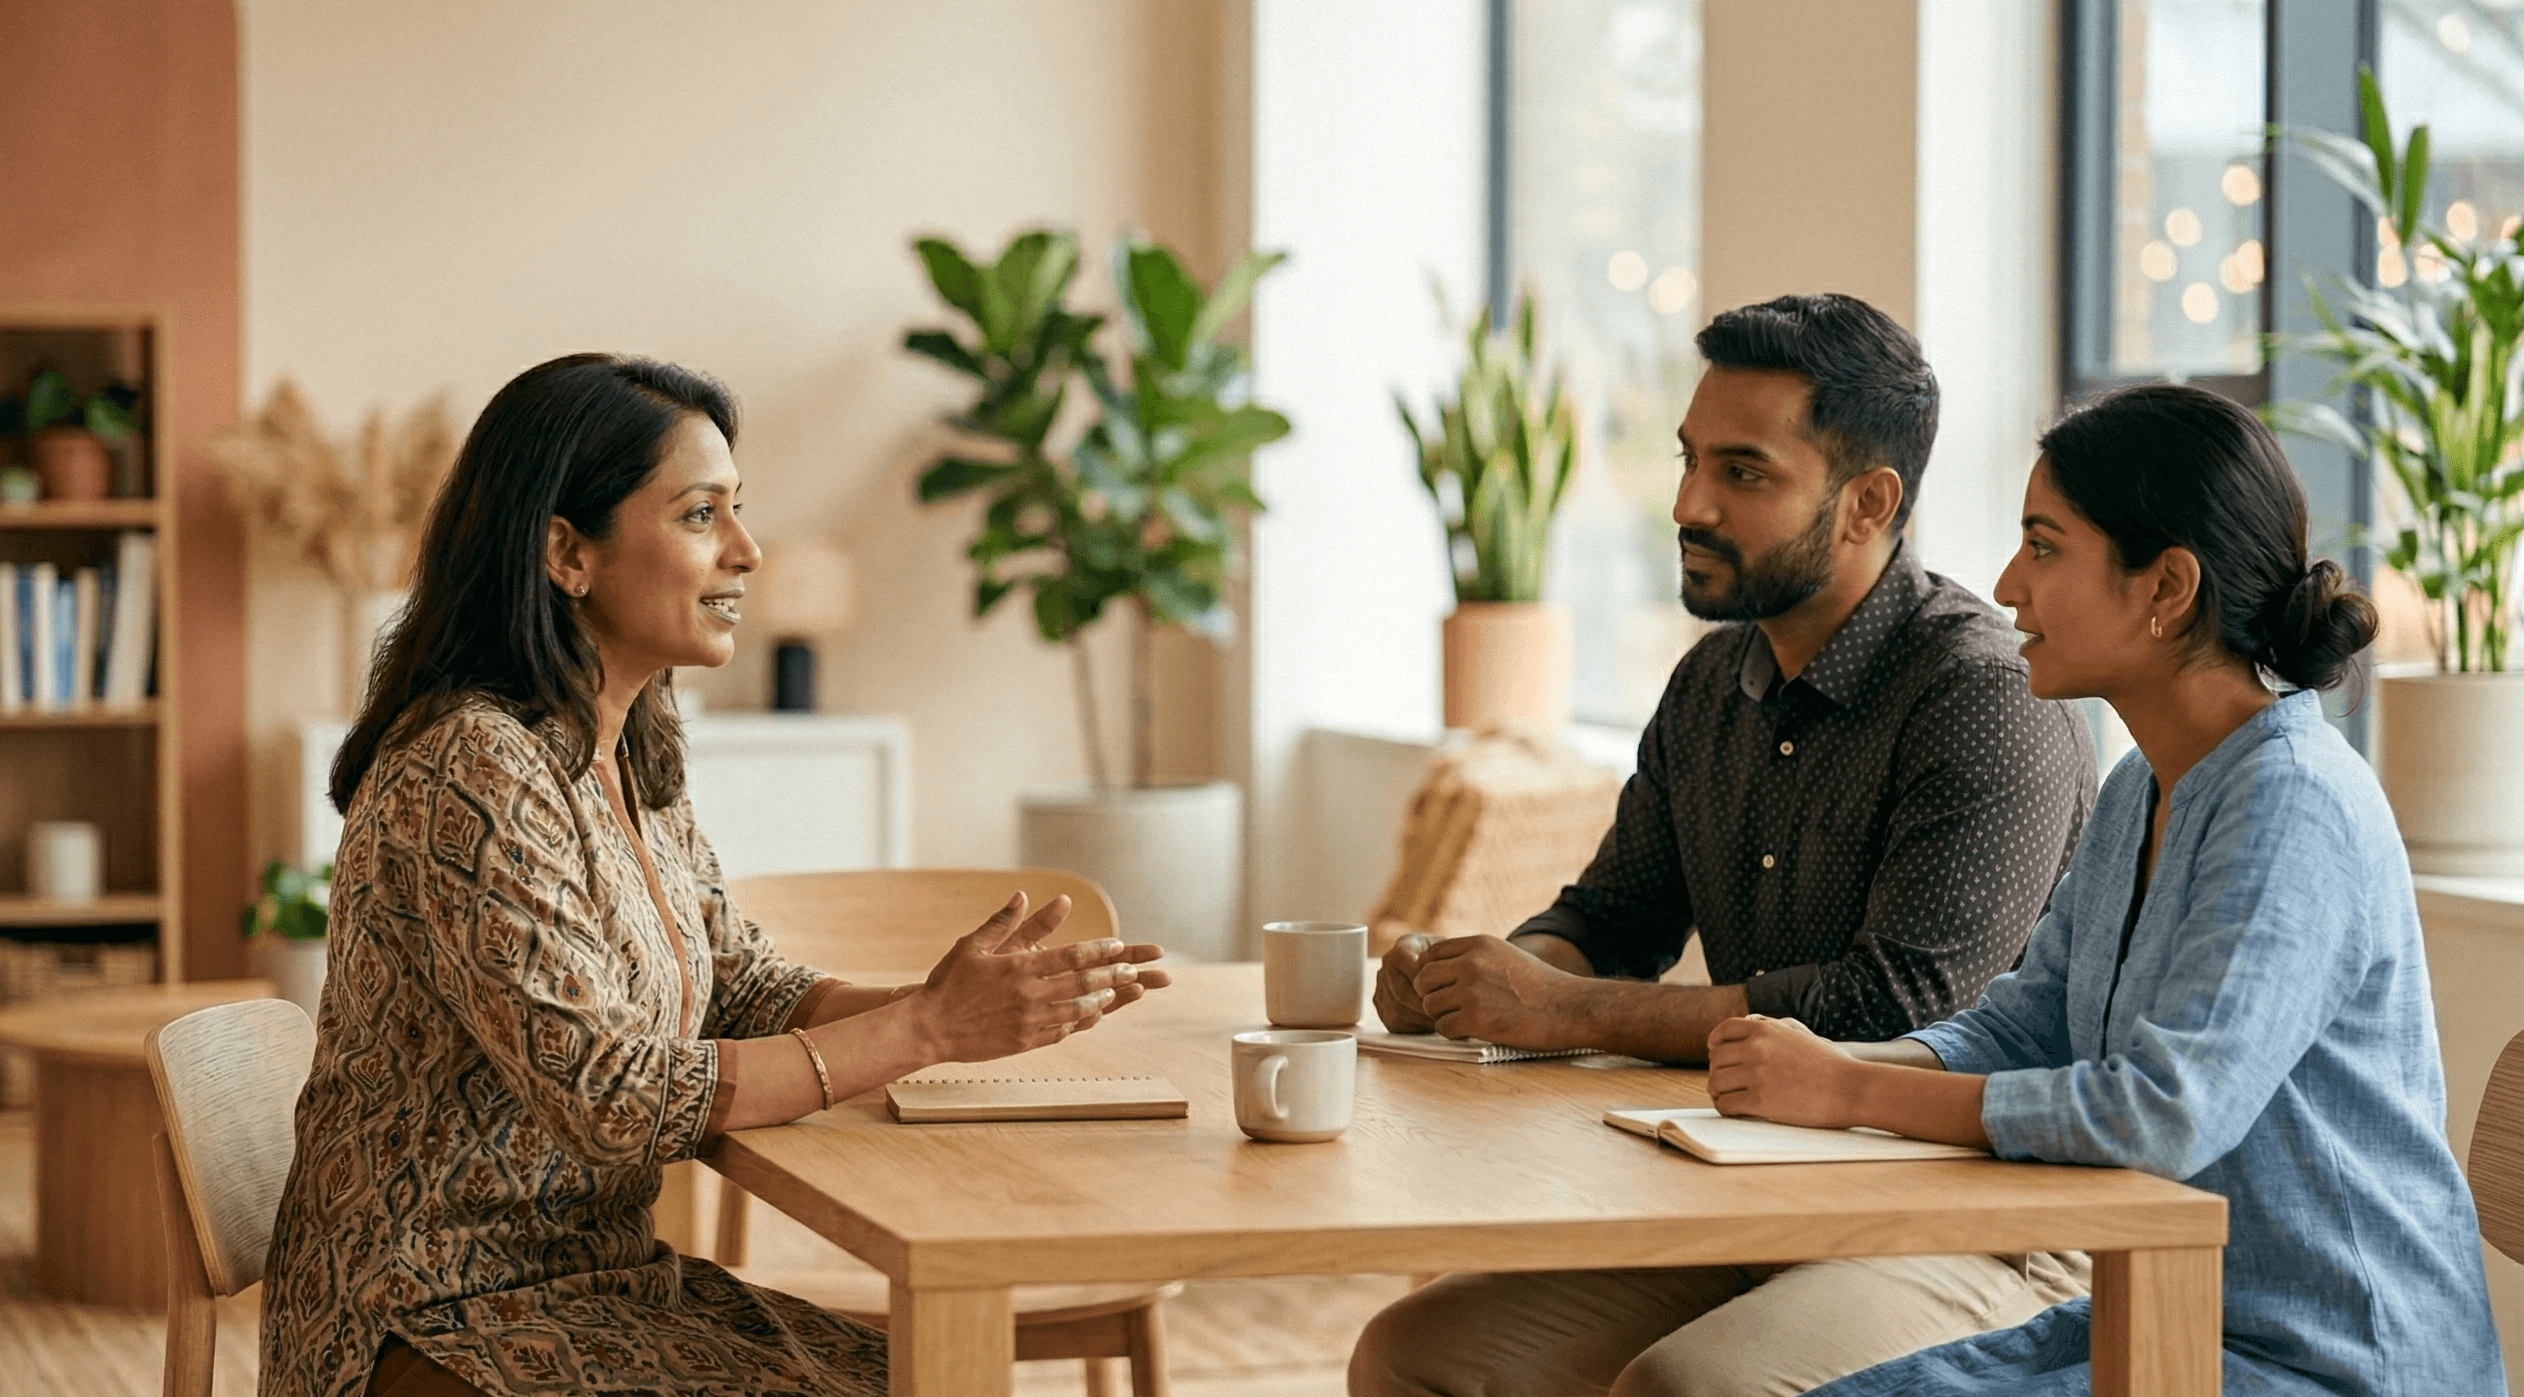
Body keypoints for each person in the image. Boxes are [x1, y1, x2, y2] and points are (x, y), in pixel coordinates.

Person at [259, 355, 1168, 1397]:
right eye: (700, 514)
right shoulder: (473, 765)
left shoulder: (627, 742)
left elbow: (740, 984)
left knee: (937, 1380)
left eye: (738, 508)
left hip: (594, 1284)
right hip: (428, 1316)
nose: (746, 548)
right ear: (566, 552)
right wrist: (922, 1030)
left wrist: (959, 1009)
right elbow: (609, 1095)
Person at [1352, 294, 2098, 1397]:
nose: (1688, 504)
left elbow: (1897, 1009)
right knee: (1415, 1355)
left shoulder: (1981, 697)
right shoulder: (1710, 680)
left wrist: (1562, 1012)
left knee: (1687, 1389)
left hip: (1974, 1220)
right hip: (1753, 1188)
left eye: (1743, 472)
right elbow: (1614, 918)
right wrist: (1482, 983)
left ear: (1868, 503)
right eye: (1690, 459)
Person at [1709, 383, 2505, 1396]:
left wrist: (1849, 1091)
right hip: (2171, 1308)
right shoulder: (2141, 786)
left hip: (2338, 1361)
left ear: (2165, 586)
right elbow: (2023, 1026)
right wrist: (1817, 1069)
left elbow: (2163, 1113)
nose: (2007, 584)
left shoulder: (2295, 802)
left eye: (2043, 546)